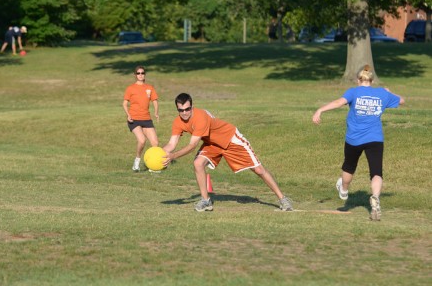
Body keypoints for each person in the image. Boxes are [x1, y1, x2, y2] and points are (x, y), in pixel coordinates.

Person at [162, 93, 293, 212]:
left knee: (258, 170)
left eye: (187, 109)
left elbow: (192, 145)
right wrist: (159, 154)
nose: (184, 113)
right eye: (181, 110)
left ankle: (283, 199)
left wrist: (173, 156)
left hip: (230, 139)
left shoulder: (200, 117)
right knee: (198, 163)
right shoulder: (177, 122)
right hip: (212, 144)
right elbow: (172, 144)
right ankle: (206, 201)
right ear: (177, 109)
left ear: (192, 107)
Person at [312, 65, 404, 221]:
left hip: (354, 139)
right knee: (376, 172)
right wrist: (389, 92)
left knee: (349, 166)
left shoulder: (353, 92)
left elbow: (338, 102)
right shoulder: (381, 93)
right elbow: (402, 100)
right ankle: (375, 197)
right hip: (375, 139)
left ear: (358, 79)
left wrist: (320, 110)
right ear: (372, 80)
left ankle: (344, 189)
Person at [122, 65, 160, 171]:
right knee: (142, 140)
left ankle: (153, 165)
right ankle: (137, 161)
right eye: (138, 73)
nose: (140, 75)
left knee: (155, 143)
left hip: (146, 119)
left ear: (145, 74)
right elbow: (124, 104)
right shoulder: (130, 88)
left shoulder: (149, 88)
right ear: (135, 75)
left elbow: (155, 101)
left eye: (142, 73)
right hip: (134, 119)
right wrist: (128, 115)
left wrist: (156, 112)